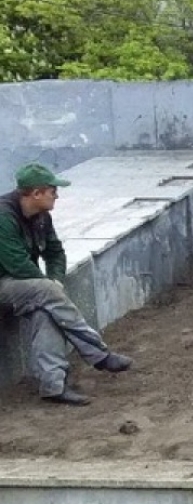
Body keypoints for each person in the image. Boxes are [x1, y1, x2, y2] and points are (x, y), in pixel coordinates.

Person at [0, 164, 134, 406]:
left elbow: (55, 252)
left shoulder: (41, 217)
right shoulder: (3, 217)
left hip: (18, 284)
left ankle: (53, 385)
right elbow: (17, 264)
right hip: (6, 281)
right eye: (53, 191)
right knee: (45, 294)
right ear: (36, 194)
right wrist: (48, 287)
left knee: (44, 310)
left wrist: (57, 280)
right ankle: (99, 355)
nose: (57, 196)